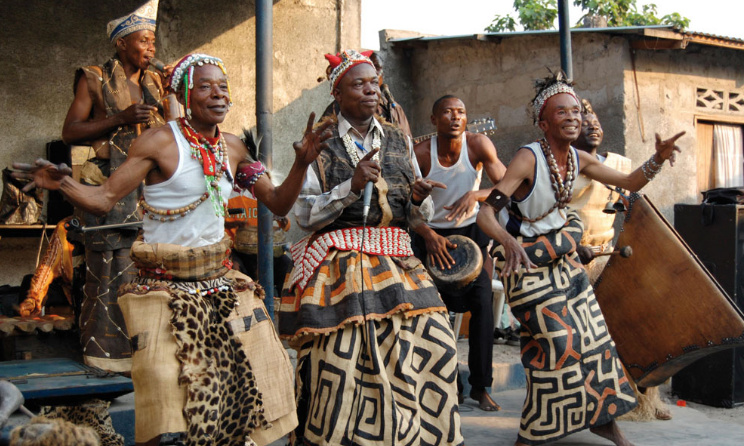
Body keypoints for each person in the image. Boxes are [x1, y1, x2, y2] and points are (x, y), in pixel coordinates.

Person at [15, 53, 332, 446]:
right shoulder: (160, 142)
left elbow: (279, 203)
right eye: (205, 86)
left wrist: (301, 164)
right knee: (165, 400)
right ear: (183, 94)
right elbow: (104, 198)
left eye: (223, 86)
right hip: (162, 289)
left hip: (219, 282)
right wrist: (62, 184)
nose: (218, 95)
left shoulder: (232, 148)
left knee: (255, 382)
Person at [475, 71, 684, 446]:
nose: (574, 117)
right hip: (524, 265)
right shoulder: (527, 158)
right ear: (543, 122)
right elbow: (486, 213)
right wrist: (508, 241)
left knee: (595, 340)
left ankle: (604, 422)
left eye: (576, 111)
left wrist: (657, 158)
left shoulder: (579, 159)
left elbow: (630, 182)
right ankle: (535, 429)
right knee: (556, 340)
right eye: (562, 113)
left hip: (562, 258)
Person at [278, 49, 464, 445]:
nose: (370, 91)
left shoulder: (398, 137)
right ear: (338, 92)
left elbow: (415, 216)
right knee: (338, 358)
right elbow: (304, 216)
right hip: (335, 262)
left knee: (436, 346)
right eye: (358, 84)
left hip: (395, 258)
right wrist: (351, 187)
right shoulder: (317, 142)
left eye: (374, 84)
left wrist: (416, 200)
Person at [59, 0, 167, 372]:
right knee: (107, 272)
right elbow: (70, 132)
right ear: (122, 43)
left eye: (154, 41)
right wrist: (119, 118)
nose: (151, 48)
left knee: (151, 272)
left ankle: (146, 358)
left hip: (150, 197)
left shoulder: (156, 82)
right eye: (144, 40)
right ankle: (103, 362)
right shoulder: (94, 78)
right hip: (106, 190)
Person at [572, 99, 672, 422]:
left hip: (608, 258)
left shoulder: (614, 164)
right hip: (573, 263)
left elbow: (630, 191)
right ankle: (595, 402)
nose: (593, 124)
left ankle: (647, 399)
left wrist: (657, 160)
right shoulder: (565, 164)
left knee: (641, 320)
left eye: (596, 119)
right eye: (584, 120)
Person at [411, 95, 506, 411]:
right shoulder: (421, 154)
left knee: (482, 305)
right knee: (431, 311)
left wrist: (477, 194)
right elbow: (404, 203)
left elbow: (512, 187)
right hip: (431, 236)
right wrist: (427, 235)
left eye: (461, 112)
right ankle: (447, 385)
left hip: (471, 235)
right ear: (433, 119)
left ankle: (481, 387)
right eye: (447, 112)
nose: (455, 117)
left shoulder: (479, 145)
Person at [321, 51, 413, 141]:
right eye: (359, 84)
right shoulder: (334, 111)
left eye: (374, 82)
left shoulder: (393, 108)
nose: (370, 90)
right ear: (338, 94)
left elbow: (409, 145)